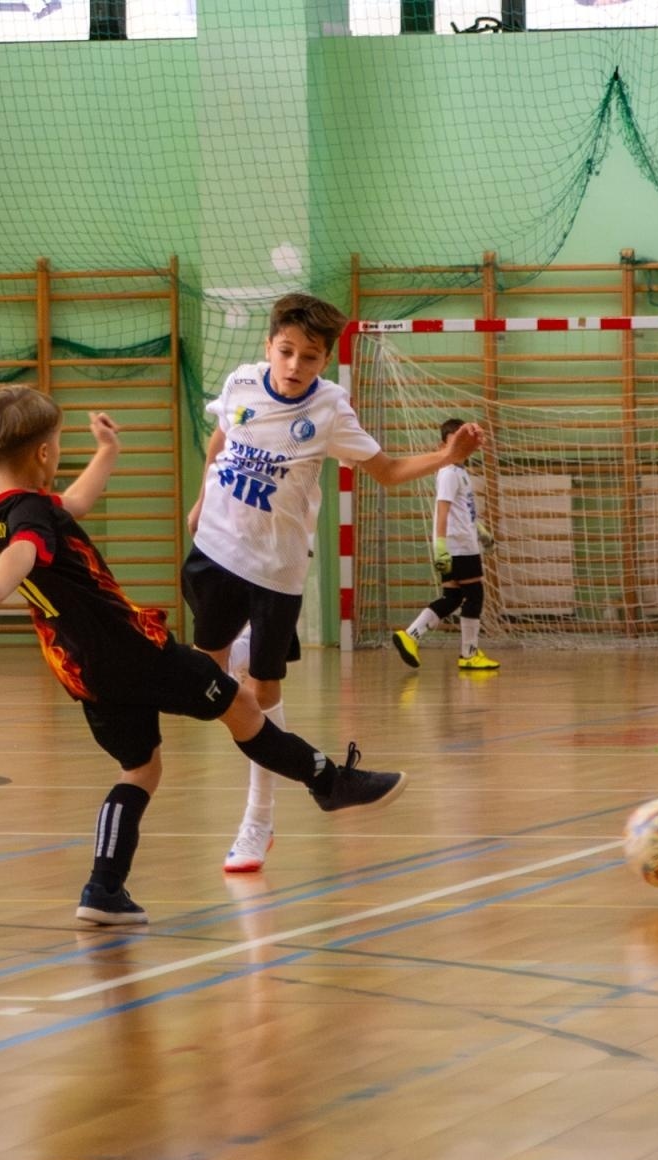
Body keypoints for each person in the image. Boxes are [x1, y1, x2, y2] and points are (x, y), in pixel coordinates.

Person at [0, 384, 408, 926]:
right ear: (44, 454)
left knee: (140, 770)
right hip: (133, 652)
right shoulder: (30, 517)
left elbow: (70, 506)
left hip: (84, 669)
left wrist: (108, 451)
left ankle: (103, 889)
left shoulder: (7, 507)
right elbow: (24, 551)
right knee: (242, 707)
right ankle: (327, 781)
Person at [184, 292, 485, 873]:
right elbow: (220, 437)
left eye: (310, 357)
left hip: (275, 570)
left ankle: (258, 821)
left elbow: (390, 472)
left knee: (260, 698)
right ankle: (306, 762)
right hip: (215, 550)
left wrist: (447, 454)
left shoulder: (329, 411)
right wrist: (202, 498)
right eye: (287, 351)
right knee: (208, 685)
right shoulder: (242, 382)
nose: (295, 366)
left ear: (325, 361)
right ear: (269, 345)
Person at [392, 417, 500, 672]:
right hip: (459, 546)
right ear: (442, 446)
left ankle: (411, 635)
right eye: (454, 444)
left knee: (453, 597)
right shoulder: (450, 472)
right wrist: (440, 545)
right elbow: (443, 511)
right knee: (474, 596)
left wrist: (481, 531)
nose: (459, 449)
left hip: (463, 541)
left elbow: (463, 511)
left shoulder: (459, 472)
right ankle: (469, 654)